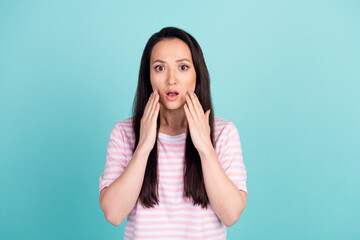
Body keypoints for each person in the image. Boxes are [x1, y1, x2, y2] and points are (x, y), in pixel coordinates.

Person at [99, 26, 248, 239]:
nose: (171, 80)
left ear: (198, 75)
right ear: (148, 76)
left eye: (183, 67)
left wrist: (205, 147)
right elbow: (113, 214)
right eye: (159, 68)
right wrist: (143, 148)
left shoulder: (224, 133)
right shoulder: (124, 133)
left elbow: (231, 214)